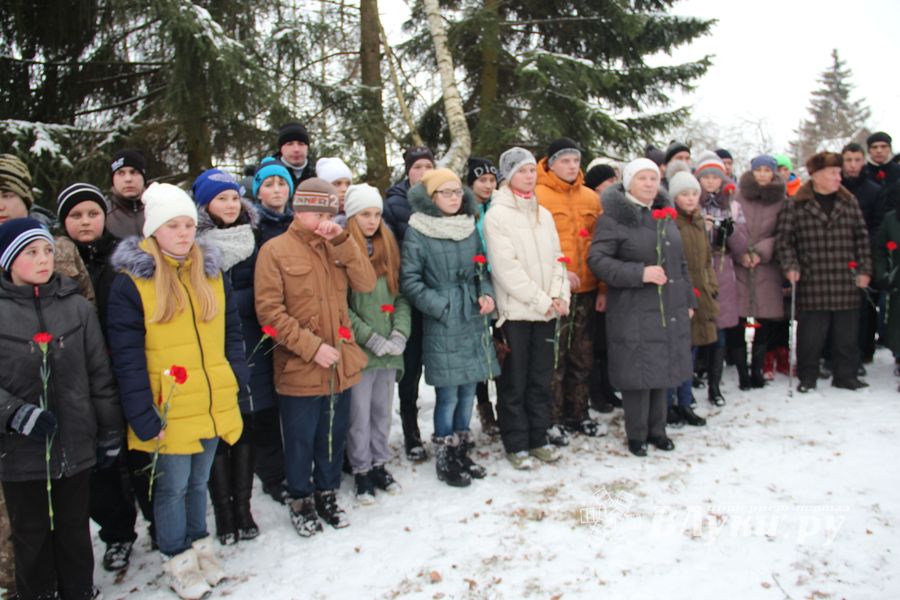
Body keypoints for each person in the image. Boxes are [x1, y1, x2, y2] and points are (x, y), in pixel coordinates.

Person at [107, 182, 247, 599]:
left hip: (209, 399)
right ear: (153, 230)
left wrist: (232, 378)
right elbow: (126, 356)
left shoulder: (209, 270)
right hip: (166, 405)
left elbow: (231, 331)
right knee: (171, 486)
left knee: (199, 479)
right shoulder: (132, 282)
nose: (184, 233)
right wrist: (142, 414)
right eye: (173, 226)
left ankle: (199, 543)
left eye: (188, 224)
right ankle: (177, 555)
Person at [0, 218, 122, 600]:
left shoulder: (76, 308)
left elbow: (98, 376)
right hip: (20, 455)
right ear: (7, 261)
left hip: (74, 446)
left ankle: (79, 591)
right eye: (31, 252)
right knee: (31, 536)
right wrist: (15, 413)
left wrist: (109, 431)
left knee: (73, 531)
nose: (43, 260)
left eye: (48, 251)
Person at [254, 178, 376, 536]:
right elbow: (269, 316)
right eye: (312, 211)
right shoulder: (274, 250)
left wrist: (341, 240)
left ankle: (326, 493)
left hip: (340, 363)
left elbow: (367, 284)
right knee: (300, 440)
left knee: (332, 436)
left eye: (327, 211)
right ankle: (301, 500)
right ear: (296, 210)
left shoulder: (337, 244)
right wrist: (311, 347)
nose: (320, 218)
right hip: (300, 366)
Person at [55, 183, 153, 572]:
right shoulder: (54, 263)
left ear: (103, 216)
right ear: (64, 221)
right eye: (76, 216)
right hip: (81, 379)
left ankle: (159, 522)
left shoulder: (125, 255)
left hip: (127, 367)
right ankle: (117, 534)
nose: (85, 222)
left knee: (142, 451)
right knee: (101, 463)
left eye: (92, 214)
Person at [589, 159, 695, 457]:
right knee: (638, 372)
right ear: (629, 183)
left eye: (654, 178)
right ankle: (637, 434)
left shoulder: (664, 216)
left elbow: (681, 264)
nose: (649, 183)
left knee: (662, 368)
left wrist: (688, 300)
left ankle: (657, 430)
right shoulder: (614, 218)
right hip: (633, 308)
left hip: (667, 306)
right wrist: (640, 273)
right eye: (642, 178)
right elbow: (598, 260)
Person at [401, 168, 499, 487]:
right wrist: (441, 306)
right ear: (432, 197)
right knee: (448, 395)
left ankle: (461, 450)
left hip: (471, 315)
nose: (454, 198)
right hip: (444, 318)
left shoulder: (468, 226)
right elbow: (410, 281)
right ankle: (445, 453)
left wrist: (485, 292)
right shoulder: (418, 230)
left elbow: (481, 267)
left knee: (469, 388)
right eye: (446, 193)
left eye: (457, 192)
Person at [483, 147, 570, 470]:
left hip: (546, 313)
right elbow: (508, 270)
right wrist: (543, 300)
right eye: (522, 171)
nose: (529, 176)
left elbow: (559, 259)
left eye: (533, 170)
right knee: (514, 383)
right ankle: (516, 443)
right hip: (516, 315)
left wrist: (560, 294)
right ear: (508, 177)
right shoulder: (497, 216)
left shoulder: (543, 214)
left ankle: (539, 437)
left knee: (540, 379)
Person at [191, 169, 262, 546]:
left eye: (235, 197)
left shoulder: (253, 236)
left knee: (246, 422)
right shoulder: (195, 244)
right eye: (222, 199)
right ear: (205, 205)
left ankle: (244, 507)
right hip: (210, 345)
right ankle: (223, 510)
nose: (231, 205)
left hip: (251, 340)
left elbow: (266, 285)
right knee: (218, 426)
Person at [777, 151, 872, 393]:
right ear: (816, 176)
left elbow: (862, 238)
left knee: (847, 334)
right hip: (812, 278)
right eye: (833, 173)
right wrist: (790, 266)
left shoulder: (849, 201)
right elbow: (785, 241)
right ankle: (807, 377)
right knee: (811, 335)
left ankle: (846, 375)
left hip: (845, 278)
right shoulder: (796, 203)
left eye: (839, 173)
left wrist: (864, 269)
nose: (838, 178)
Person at [344, 183, 410, 503]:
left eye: (376, 215)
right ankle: (361, 469)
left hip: (388, 352)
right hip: (361, 352)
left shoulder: (388, 249)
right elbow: (342, 307)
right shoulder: (344, 252)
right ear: (352, 217)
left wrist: (399, 332)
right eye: (364, 215)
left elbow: (400, 299)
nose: (371, 221)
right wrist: (369, 336)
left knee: (382, 411)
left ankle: (380, 462)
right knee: (359, 414)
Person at [536, 137, 605, 446]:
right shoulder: (536, 195)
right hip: (555, 291)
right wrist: (560, 275)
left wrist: (602, 286)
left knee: (583, 355)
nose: (572, 165)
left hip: (588, 289)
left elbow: (601, 244)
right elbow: (535, 246)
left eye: (576, 160)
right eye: (564, 160)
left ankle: (579, 413)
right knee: (555, 358)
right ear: (550, 163)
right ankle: (552, 418)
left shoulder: (591, 198)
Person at [383, 145, 435, 462]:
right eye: (417, 167)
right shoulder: (394, 205)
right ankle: (411, 432)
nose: (423, 172)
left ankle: (446, 429)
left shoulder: (445, 199)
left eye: (428, 166)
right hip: (410, 296)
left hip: (439, 295)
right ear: (408, 172)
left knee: (441, 363)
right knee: (411, 369)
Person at [248, 158, 295, 503]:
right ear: (258, 191)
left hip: (299, 323)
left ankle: (296, 463)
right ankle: (273, 473)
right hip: (261, 326)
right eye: (269, 185)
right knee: (264, 403)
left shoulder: (299, 223)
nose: (276, 190)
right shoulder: (252, 229)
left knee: (294, 400)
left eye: (281, 184)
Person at [729, 155, 787, 389]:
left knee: (764, 321)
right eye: (758, 170)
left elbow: (783, 232)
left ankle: (758, 369)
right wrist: (741, 251)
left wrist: (761, 252)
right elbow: (730, 226)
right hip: (739, 264)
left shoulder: (782, 200)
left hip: (766, 265)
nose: (762, 174)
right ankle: (742, 371)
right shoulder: (737, 196)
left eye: (767, 170)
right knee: (738, 319)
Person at [669, 171, 715, 427]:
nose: (690, 199)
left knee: (690, 352)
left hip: (700, 293)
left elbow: (707, 259)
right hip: (681, 295)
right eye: (684, 194)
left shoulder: (699, 221)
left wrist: (711, 285)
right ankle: (669, 404)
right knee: (674, 352)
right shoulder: (671, 223)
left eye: (694, 194)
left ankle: (685, 401)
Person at [696, 151, 739, 406]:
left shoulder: (731, 203)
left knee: (720, 329)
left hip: (722, 269)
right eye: (706, 177)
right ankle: (693, 375)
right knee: (698, 326)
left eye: (715, 177)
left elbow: (740, 239)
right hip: (700, 269)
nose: (711, 182)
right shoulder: (691, 202)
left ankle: (715, 385)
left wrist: (729, 234)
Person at [842, 142, 886, 367]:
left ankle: (862, 352)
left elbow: (878, 224)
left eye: (857, 160)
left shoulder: (874, 190)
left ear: (863, 160)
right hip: (836, 256)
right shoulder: (835, 186)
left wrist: (863, 247)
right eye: (848, 160)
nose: (852, 165)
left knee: (863, 309)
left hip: (863, 255)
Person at [467, 157, 501, 436]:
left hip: (500, 282)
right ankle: (484, 406)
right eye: (482, 180)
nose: (488, 185)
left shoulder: (499, 206)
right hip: (477, 282)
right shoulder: (466, 210)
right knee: (479, 347)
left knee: (501, 347)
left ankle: (504, 404)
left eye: (492, 180)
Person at [105, 148, 148, 239]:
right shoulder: (103, 214)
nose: (128, 179)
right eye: (121, 173)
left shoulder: (160, 208)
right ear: (112, 179)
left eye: (134, 172)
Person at [274, 122, 315, 188]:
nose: (296, 149)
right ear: (281, 148)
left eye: (301, 144)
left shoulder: (318, 174)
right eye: (290, 144)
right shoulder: (266, 175)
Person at [315, 157, 353, 227]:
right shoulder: (312, 219)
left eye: (348, 184)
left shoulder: (358, 216)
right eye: (337, 184)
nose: (344, 189)